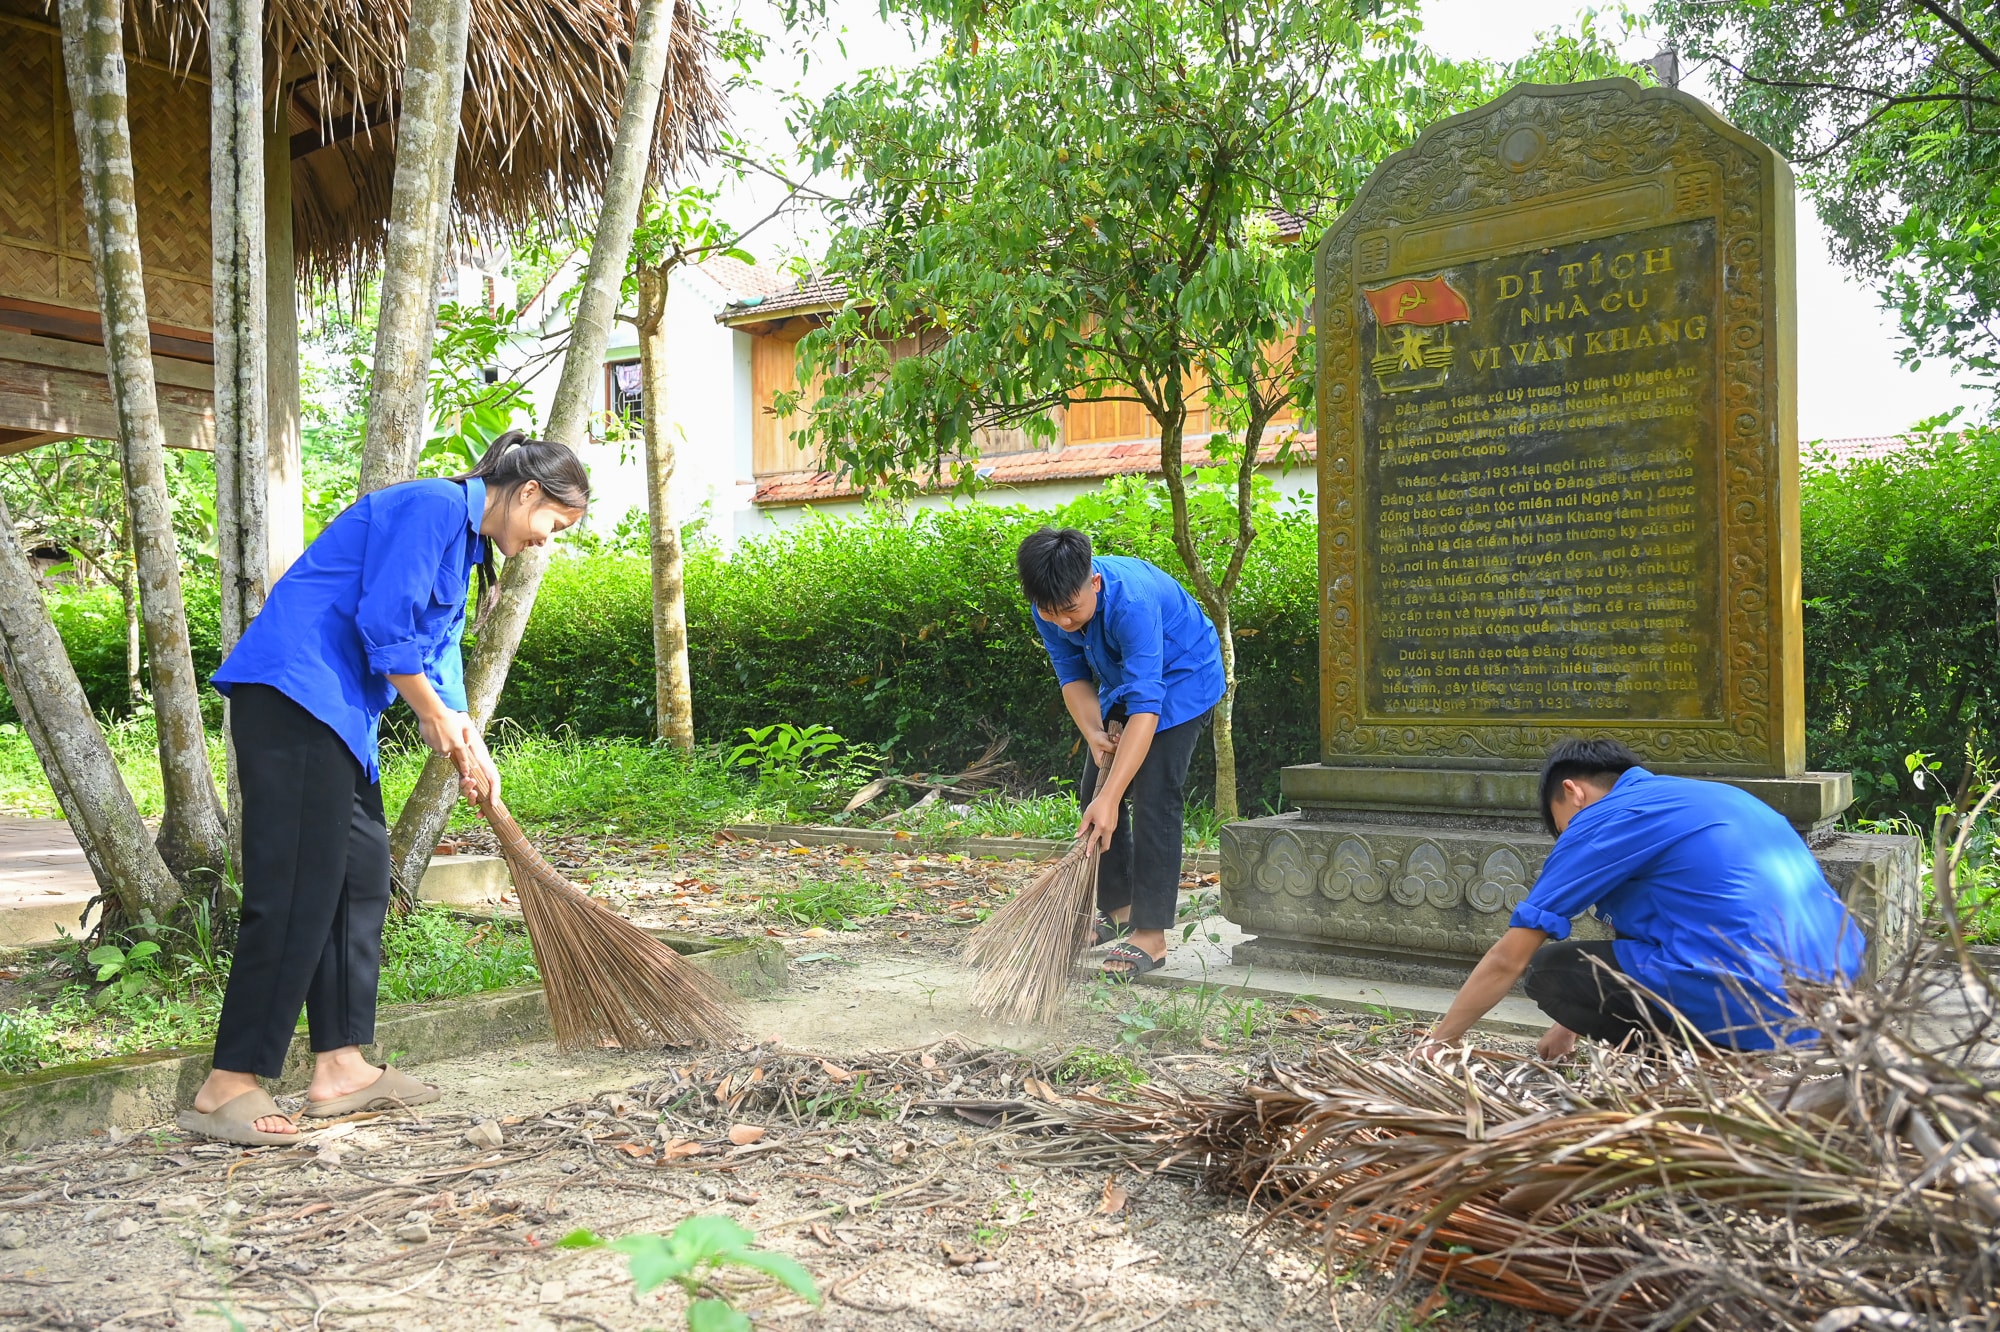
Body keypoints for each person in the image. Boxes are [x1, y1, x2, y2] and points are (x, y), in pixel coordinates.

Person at [178, 433, 589, 1145]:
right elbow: (383, 623)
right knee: (298, 890)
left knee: (360, 877)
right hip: (295, 701)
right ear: (527, 493)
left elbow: (438, 652)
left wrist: (468, 739)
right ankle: (228, 1085)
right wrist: (430, 713)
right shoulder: (430, 507)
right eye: (554, 523)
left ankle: (340, 1067)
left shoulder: (464, 548)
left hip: (339, 720)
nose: (547, 540)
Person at [1418, 737, 1865, 1059]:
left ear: (1573, 792)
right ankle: (1719, 1060)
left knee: (1545, 970)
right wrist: (1567, 1028)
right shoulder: (1710, 797)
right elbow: (1645, 939)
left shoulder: (1605, 819)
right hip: (1831, 991)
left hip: (1749, 991)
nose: (1567, 840)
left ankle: (1716, 1064)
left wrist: (1439, 1042)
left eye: (1562, 828)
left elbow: (1508, 959)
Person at [1017, 527, 1224, 978]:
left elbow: (1150, 703)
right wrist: (1094, 732)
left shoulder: (1131, 603)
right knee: (1094, 791)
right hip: (1126, 680)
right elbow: (1071, 675)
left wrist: (1114, 797)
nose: (1063, 622)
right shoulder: (1049, 608)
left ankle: (1151, 934)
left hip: (1184, 676)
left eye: (1070, 611)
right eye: (1051, 613)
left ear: (1093, 583)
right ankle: (1119, 911)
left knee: (1154, 791)